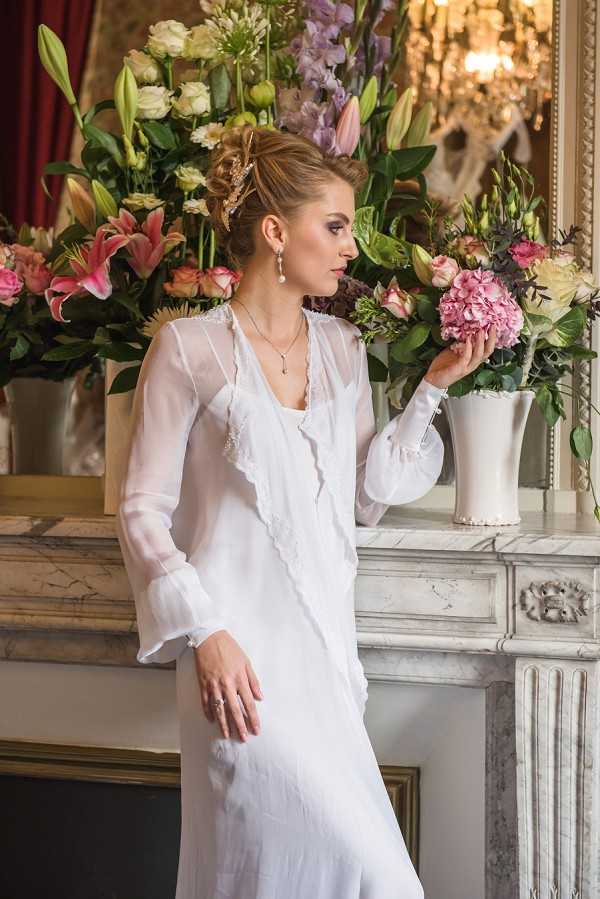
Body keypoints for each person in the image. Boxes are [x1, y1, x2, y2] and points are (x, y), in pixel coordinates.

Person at [116, 125, 497, 899]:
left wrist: (431, 388)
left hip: (324, 663)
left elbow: (363, 497)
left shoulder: (344, 348)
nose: (350, 246)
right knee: (272, 872)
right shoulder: (188, 350)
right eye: (335, 225)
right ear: (274, 232)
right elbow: (141, 509)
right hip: (237, 667)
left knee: (369, 880)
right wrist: (206, 632)